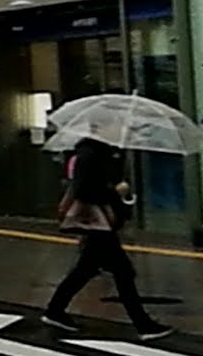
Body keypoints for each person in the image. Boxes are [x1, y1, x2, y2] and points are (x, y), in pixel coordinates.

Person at [42, 137, 172, 339]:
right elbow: (87, 189)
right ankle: (143, 325)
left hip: (98, 224)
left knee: (86, 269)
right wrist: (115, 191)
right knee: (123, 272)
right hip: (98, 223)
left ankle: (55, 310)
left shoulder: (93, 152)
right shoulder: (90, 154)